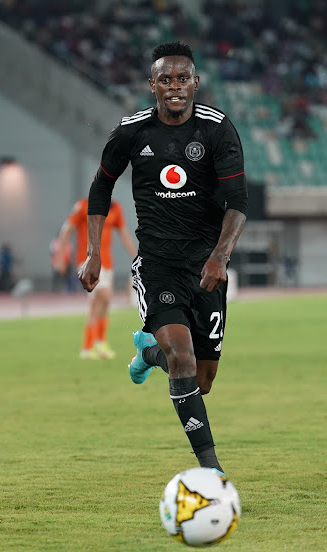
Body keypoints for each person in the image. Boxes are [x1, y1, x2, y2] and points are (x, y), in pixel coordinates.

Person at [78, 41, 247, 474]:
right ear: (152, 85)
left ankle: (146, 353)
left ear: (195, 82)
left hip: (206, 267)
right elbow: (100, 188)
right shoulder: (132, 132)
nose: (175, 87)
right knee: (183, 358)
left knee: (201, 381)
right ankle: (212, 471)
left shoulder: (218, 129)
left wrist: (220, 257)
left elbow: (238, 201)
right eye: (165, 80)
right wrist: (94, 253)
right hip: (158, 264)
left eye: (182, 79)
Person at [55, 197, 136, 359]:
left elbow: (123, 233)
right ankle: (96, 343)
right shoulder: (83, 206)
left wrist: (136, 256)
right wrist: (60, 255)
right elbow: (67, 229)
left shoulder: (115, 209)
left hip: (107, 263)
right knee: (101, 296)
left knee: (103, 302)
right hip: (87, 261)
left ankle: (91, 345)